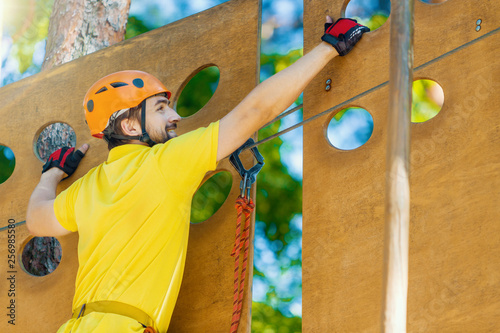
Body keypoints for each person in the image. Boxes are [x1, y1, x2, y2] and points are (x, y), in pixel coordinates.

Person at [26, 16, 369, 333]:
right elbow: (255, 110)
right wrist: (328, 47)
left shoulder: (86, 189)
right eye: (160, 109)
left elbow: (36, 221)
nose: (174, 115)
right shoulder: (165, 162)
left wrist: (51, 174)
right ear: (130, 125)